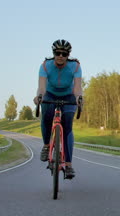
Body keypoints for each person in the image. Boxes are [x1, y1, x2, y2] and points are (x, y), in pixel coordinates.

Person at [33, 39, 82, 179]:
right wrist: (39, 97)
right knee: (47, 116)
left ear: (68, 55)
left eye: (64, 53)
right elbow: (42, 87)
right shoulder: (45, 65)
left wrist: (79, 98)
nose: (61, 56)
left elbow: (77, 88)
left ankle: (69, 164)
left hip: (68, 95)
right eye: (57, 53)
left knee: (67, 126)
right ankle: (47, 145)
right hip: (50, 94)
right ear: (53, 53)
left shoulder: (75, 66)